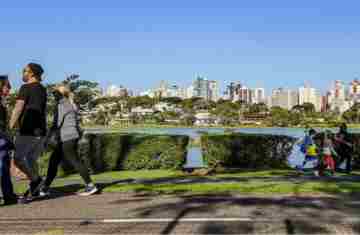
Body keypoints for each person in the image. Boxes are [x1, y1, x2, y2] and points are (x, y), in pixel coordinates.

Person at [40, 85, 98, 196]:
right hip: (69, 137)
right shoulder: (69, 103)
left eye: (55, 93)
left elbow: (56, 124)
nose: (53, 95)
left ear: (60, 94)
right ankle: (45, 188)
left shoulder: (62, 105)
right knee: (54, 162)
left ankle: (91, 186)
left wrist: (46, 139)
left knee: (74, 161)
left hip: (67, 137)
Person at [10, 63, 47, 197]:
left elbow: (18, 108)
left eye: (24, 71)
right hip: (41, 131)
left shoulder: (26, 87)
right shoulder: (42, 89)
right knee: (31, 159)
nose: (22, 73)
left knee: (18, 159)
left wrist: (10, 127)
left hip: (28, 130)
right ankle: (36, 188)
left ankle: (36, 181)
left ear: (31, 73)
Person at [0, 76, 17, 205]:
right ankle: (8, 196)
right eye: (7, 86)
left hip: (3, 138)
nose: (10, 88)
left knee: (4, 167)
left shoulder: (3, 102)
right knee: (2, 167)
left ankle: (9, 196)